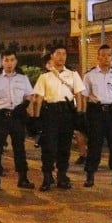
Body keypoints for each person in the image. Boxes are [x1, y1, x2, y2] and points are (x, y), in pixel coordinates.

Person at [32, 45, 82, 191]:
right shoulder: (44, 77)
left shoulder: (73, 74)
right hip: (50, 113)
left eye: (64, 54)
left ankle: (62, 175)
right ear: (52, 56)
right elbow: (39, 98)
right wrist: (36, 117)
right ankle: (47, 176)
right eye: (58, 53)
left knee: (64, 146)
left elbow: (78, 94)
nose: (62, 56)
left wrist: (79, 113)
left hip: (67, 112)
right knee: (49, 147)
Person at [0, 50, 34, 191]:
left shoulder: (23, 78)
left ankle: (23, 178)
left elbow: (29, 95)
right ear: (2, 62)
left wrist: (24, 106)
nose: (9, 63)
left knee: (19, 148)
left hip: (17, 117)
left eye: (12, 60)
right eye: (6, 60)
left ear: (16, 61)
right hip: (1, 116)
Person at [82, 44, 112, 187]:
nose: (106, 58)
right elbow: (83, 96)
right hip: (96, 112)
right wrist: (82, 114)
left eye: (109, 55)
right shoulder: (90, 75)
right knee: (95, 145)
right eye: (103, 55)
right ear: (98, 57)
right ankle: (90, 176)